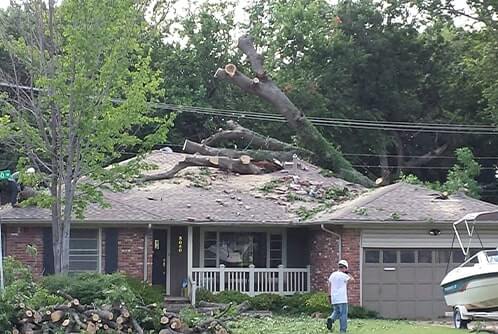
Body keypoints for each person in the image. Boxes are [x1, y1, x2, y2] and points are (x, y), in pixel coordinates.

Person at [327, 259, 354, 332]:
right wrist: (347, 272)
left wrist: (329, 295)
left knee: (336, 311)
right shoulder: (344, 275)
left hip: (334, 298)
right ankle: (343, 331)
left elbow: (329, 285)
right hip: (342, 298)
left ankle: (331, 319)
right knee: (343, 314)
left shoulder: (332, 274)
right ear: (345, 267)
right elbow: (352, 279)